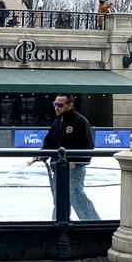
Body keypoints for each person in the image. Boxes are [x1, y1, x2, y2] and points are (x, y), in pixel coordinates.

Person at [30, 93, 100, 221]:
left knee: (75, 195)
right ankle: (59, 222)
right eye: (55, 104)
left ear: (70, 105)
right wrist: (41, 155)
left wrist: (76, 162)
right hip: (58, 167)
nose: (56, 108)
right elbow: (49, 143)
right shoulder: (57, 121)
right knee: (59, 198)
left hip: (74, 168)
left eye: (60, 105)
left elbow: (88, 147)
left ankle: (93, 223)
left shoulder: (80, 121)